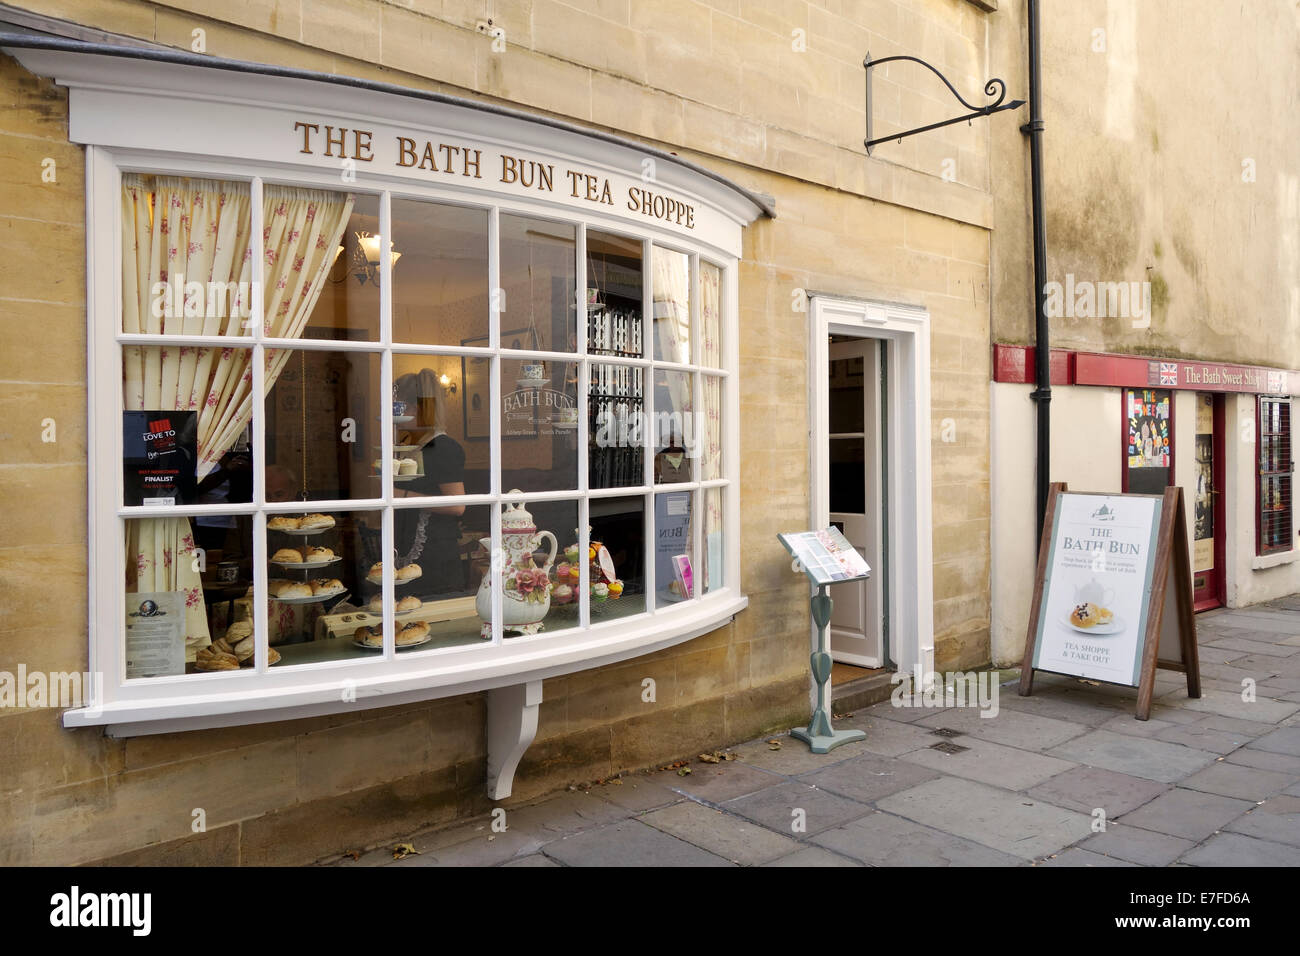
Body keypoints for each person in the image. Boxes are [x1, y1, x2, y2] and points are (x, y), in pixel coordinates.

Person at [394, 372, 468, 596]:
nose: (392, 416)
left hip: (436, 557)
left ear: (413, 410)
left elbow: (457, 505)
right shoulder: (413, 446)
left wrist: (401, 496)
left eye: (397, 409)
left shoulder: (443, 447)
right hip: (410, 552)